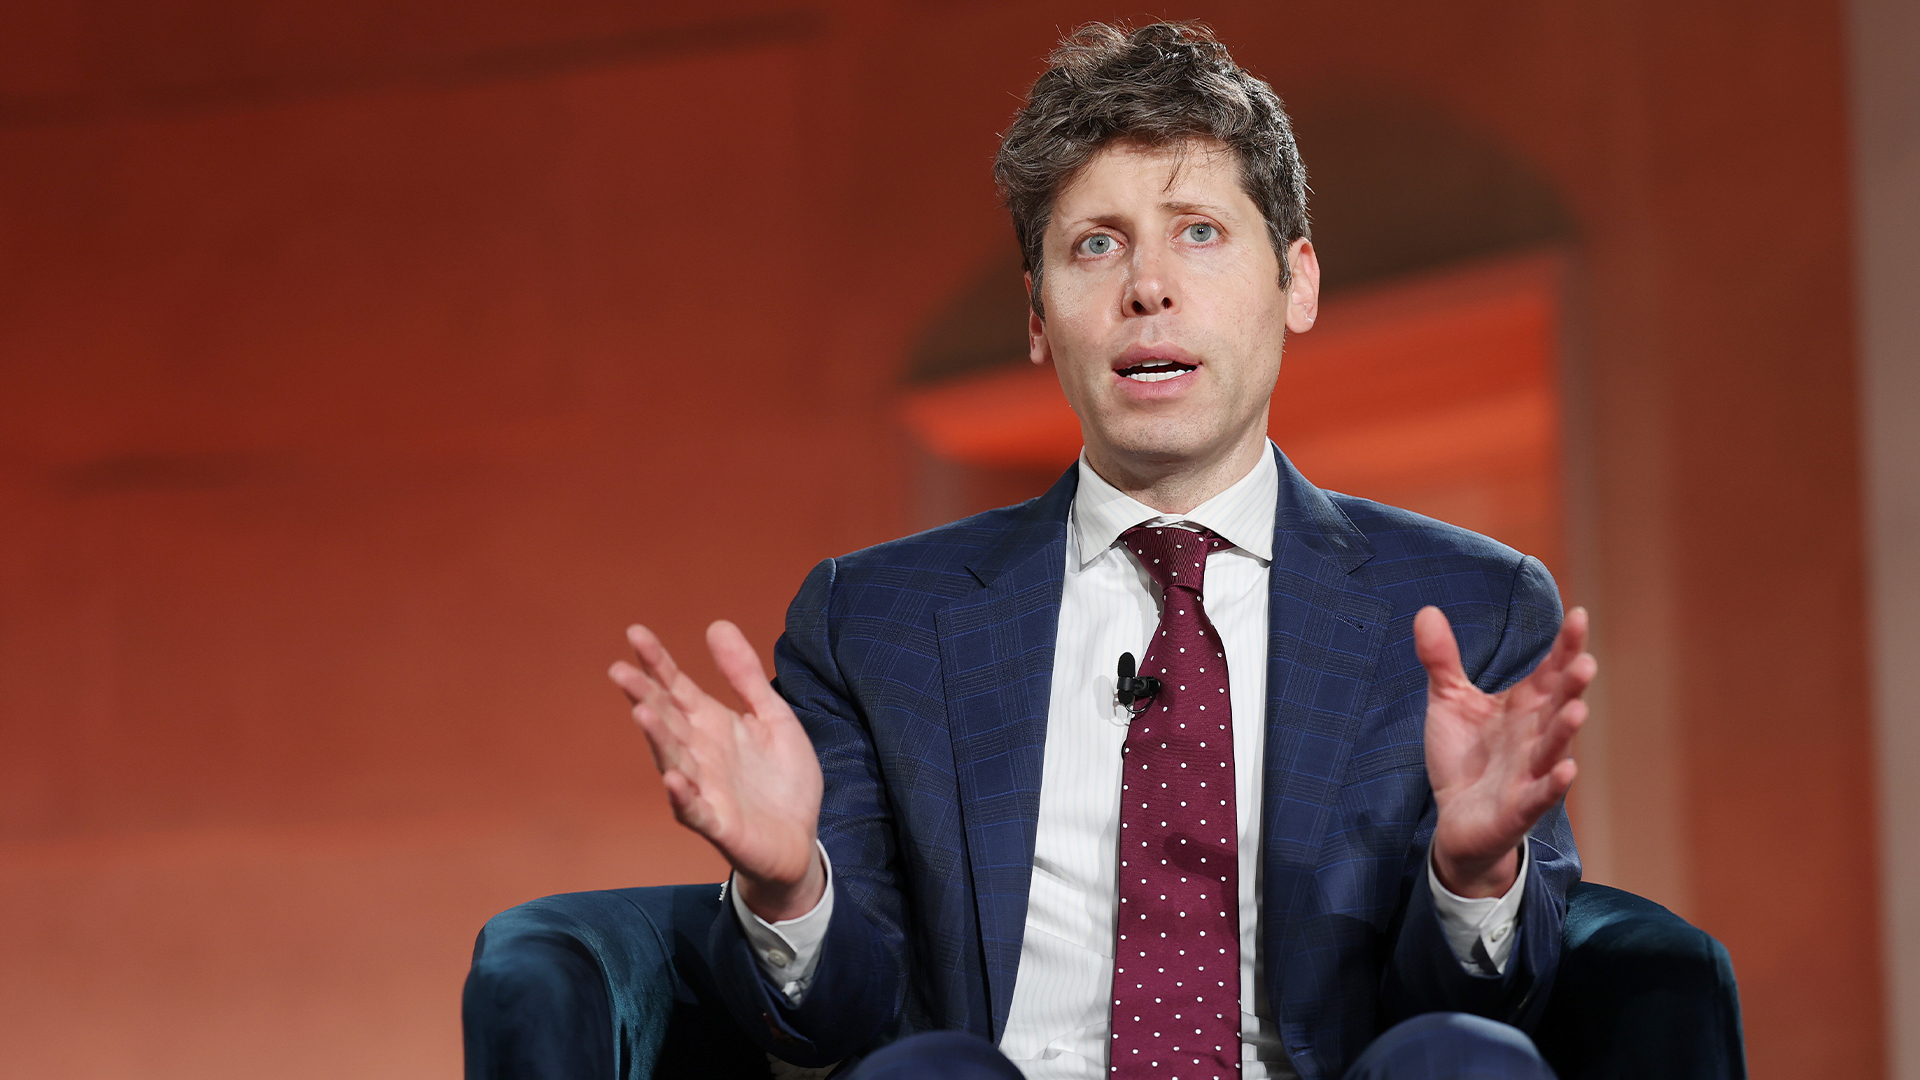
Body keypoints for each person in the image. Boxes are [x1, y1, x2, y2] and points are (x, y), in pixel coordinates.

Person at [609, 21, 1594, 1080]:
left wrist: (1475, 871)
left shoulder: (1471, 607)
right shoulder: (871, 622)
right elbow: (840, 1024)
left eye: (1200, 232)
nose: (1148, 288)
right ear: (1038, 317)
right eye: (1096, 244)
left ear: (1297, 281)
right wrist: (789, 886)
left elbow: (1502, 1000)